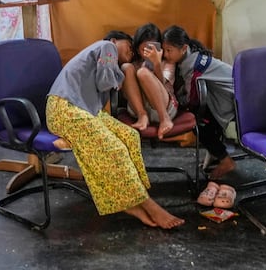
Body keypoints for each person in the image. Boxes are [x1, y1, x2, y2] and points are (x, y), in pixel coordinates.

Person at [46, 30, 184, 229]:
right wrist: (120, 77)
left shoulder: (106, 58)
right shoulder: (106, 47)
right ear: (113, 41)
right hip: (65, 108)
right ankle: (148, 205)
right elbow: (105, 82)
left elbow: (103, 85)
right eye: (128, 46)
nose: (130, 53)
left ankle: (128, 200)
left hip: (85, 110)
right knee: (114, 149)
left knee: (129, 136)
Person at [162, 25, 236, 180]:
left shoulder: (192, 66)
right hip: (231, 95)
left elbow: (192, 98)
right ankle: (217, 155)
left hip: (234, 100)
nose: (165, 54)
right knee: (205, 120)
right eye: (164, 50)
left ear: (183, 49)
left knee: (200, 125)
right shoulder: (193, 56)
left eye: (169, 50)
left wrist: (176, 101)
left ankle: (226, 160)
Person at [120, 23, 178, 138]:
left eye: (152, 48)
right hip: (139, 109)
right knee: (126, 67)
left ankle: (164, 119)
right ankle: (142, 115)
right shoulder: (134, 65)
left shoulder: (167, 63)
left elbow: (163, 85)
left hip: (164, 108)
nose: (148, 52)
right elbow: (127, 94)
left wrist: (156, 64)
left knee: (143, 73)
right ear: (137, 50)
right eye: (144, 49)